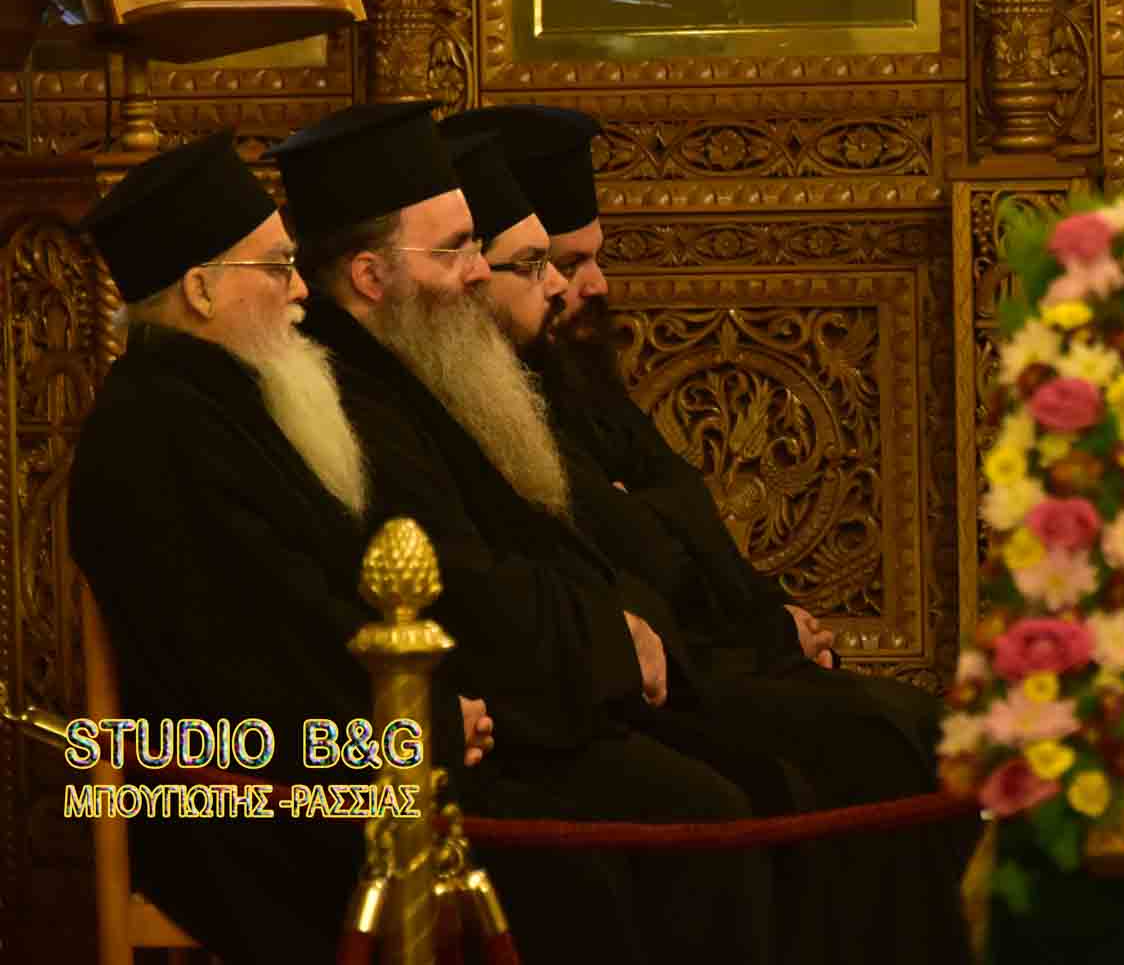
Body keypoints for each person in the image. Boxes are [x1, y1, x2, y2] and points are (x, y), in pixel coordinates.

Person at [440, 104, 975, 963]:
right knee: (844, 759)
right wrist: (745, 620)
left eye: (585, 260)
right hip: (648, 676)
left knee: (915, 730)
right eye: (557, 264)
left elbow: (679, 507)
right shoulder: (489, 394)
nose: (584, 287)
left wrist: (771, 612)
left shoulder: (571, 371)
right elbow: (624, 547)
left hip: (696, 647)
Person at [270, 102, 798, 965]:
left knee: (745, 784)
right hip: (468, 736)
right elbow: (463, 586)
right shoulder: (351, 403)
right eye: (455, 249)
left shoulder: (420, 368)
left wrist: (620, 624)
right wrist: (609, 637)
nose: (477, 272)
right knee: (708, 815)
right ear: (370, 275)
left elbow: (538, 541)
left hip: (534, 692)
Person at [65, 132, 508, 964]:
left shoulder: (222, 400)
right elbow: (263, 663)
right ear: (200, 289)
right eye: (276, 267)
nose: (302, 288)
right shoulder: (160, 433)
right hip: (248, 813)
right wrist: (427, 723)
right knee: (573, 856)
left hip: (319, 770)